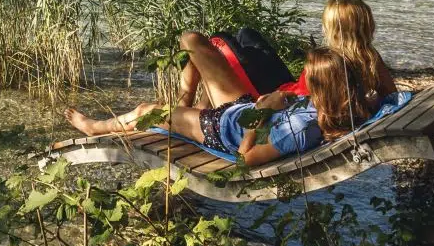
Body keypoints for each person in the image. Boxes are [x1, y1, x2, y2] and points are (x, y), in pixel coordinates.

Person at [64, 48, 375, 166]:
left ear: (324, 89)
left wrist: (264, 112)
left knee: (147, 110)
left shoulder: (301, 129)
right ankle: (179, 111)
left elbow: (245, 159)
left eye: (310, 79)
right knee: (192, 44)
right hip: (238, 110)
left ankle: (96, 128)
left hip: (220, 128)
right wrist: (282, 102)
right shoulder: (338, 108)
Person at [179, 0, 396, 107]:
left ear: (330, 29)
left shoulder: (329, 64)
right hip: (286, 85)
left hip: (273, 97)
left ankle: (186, 106)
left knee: (216, 41)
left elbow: (301, 101)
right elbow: (392, 96)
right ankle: (199, 106)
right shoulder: (369, 57)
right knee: (246, 34)